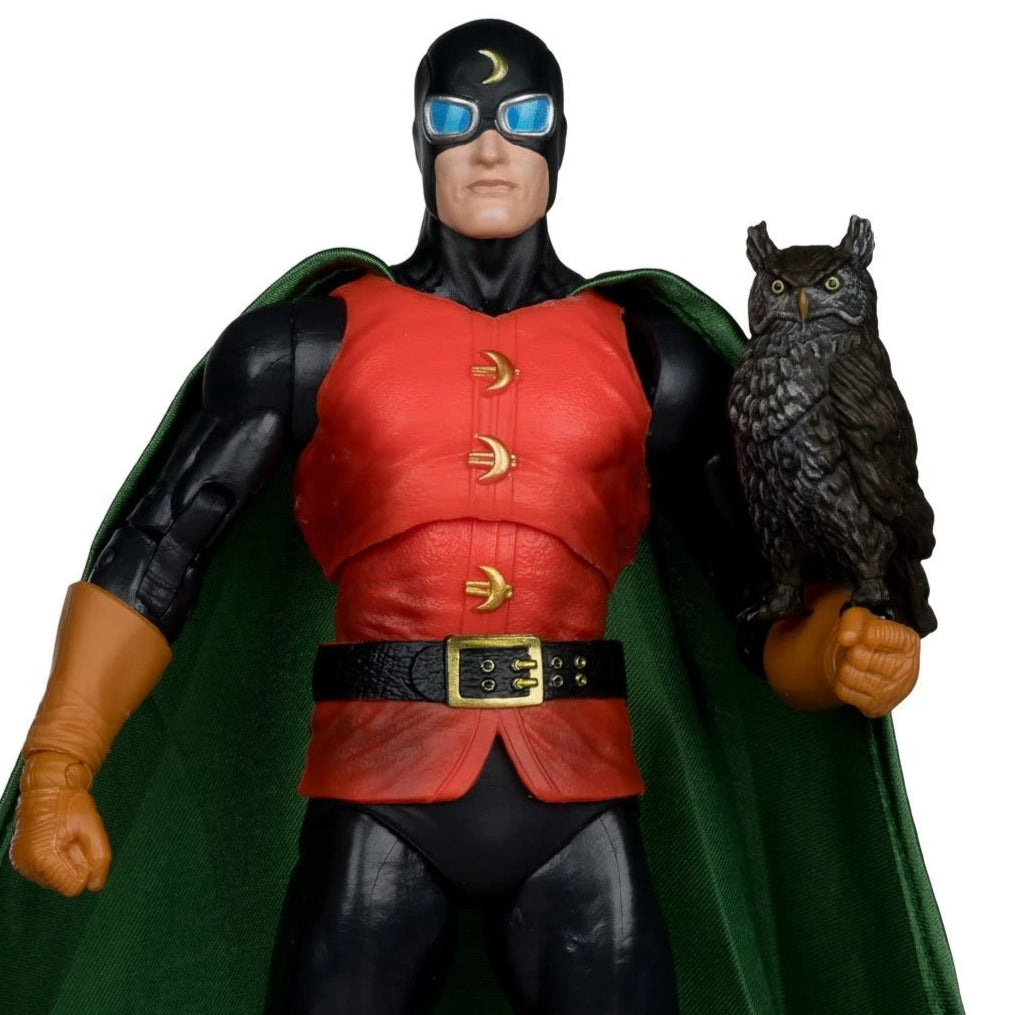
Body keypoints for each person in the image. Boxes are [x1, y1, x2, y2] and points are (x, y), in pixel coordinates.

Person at [1, 19, 961, 1015]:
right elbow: (160, 550)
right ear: (419, 138)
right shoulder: (304, 344)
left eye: (523, 117)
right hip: (374, 792)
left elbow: (761, 600)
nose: (492, 146)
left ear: (561, 138)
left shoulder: (652, 356)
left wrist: (840, 649)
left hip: (580, 800)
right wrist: (60, 766)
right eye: (458, 117)